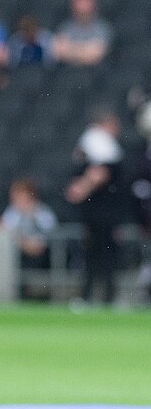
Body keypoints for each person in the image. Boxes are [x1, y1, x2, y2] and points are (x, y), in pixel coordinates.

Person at [65, 108, 126, 306]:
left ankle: (96, 296)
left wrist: (79, 188)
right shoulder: (98, 140)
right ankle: (98, 296)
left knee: (98, 255)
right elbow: (98, 173)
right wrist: (82, 188)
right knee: (101, 255)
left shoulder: (92, 141)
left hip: (98, 211)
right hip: (102, 212)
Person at [1, 177, 57, 269]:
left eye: (21, 197)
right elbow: (7, 229)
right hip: (19, 253)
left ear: (30, 196)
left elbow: (51, 229)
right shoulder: (12, 212)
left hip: (42, 253)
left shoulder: (42, 211)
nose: (18, 201)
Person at [53, 0, 111, 67]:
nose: (82, 5)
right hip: (67, 71)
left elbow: (96, 54)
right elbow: (58, 51)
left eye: (85, 1)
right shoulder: (66, 27)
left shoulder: (102, 28)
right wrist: (84, 50)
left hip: (94, 72)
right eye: (79, 1)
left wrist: (70, 49)